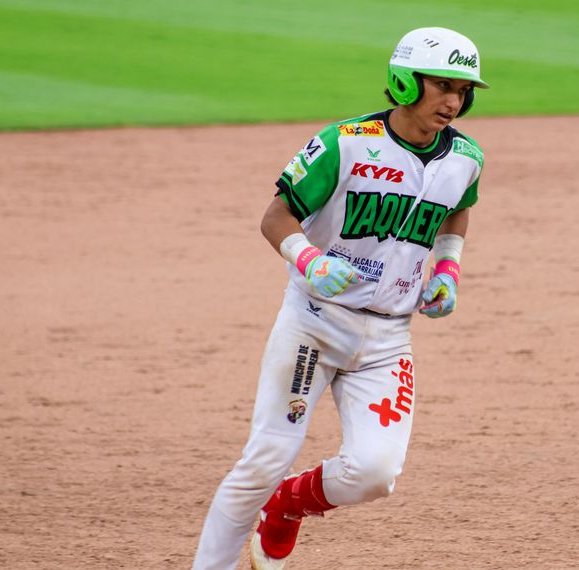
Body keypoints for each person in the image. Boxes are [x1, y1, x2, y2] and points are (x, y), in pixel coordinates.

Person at [192, 26, 489, 570]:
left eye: (463, 90)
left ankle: (286, 508)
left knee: (376, 474)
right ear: (405, 82)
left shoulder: (466, 156)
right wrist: (309, 259)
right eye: (442, 85)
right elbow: (276, 215)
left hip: (389, 337)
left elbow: (457, 207)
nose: (453, 101)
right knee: (264, 460)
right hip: (314, 322)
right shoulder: (344, 142)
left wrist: (447, 267)